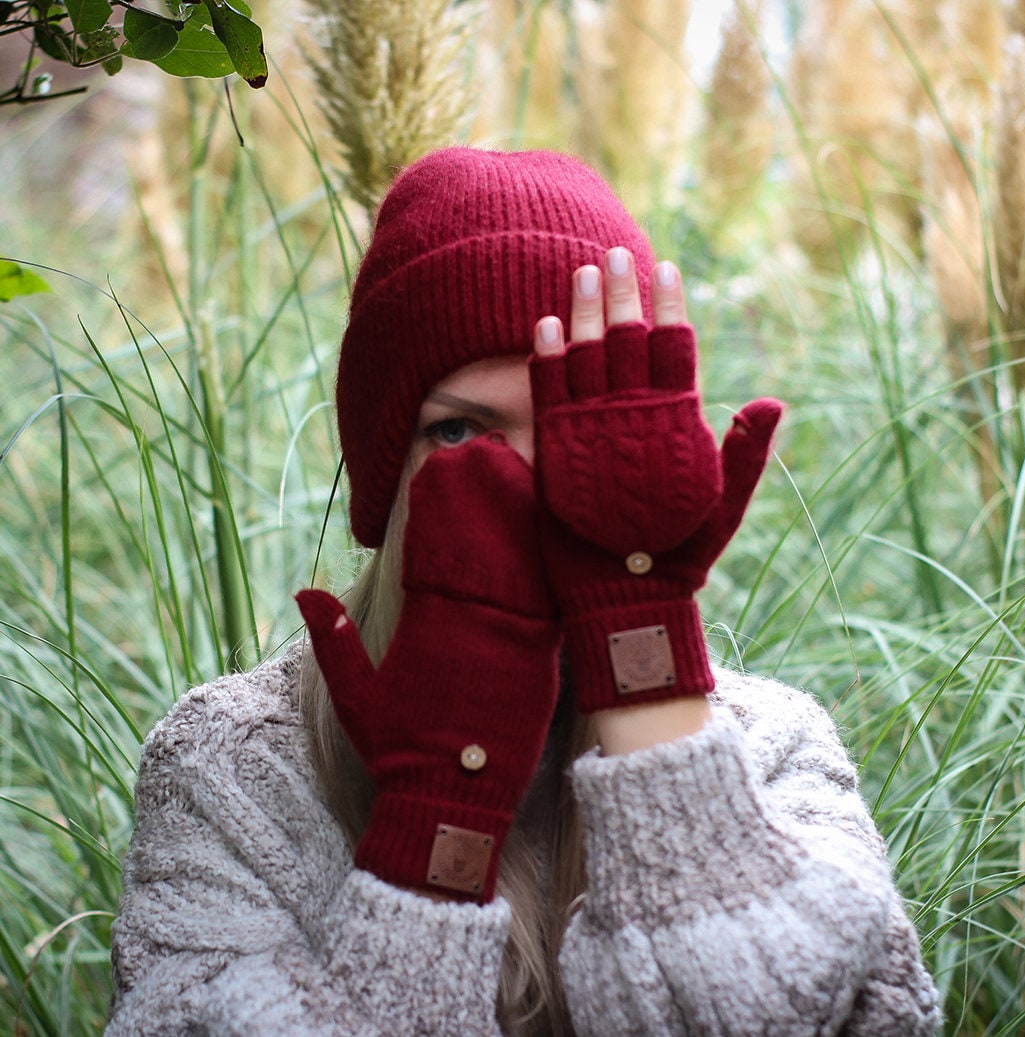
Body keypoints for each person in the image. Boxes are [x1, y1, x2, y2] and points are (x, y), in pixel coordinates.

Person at [106, 147, 941, 1036]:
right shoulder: (232, 766)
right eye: (461, 432)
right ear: (387, 480)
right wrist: (436, 817)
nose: (526, 485)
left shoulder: (770, 749)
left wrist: (643, 665)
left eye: (580, 425)